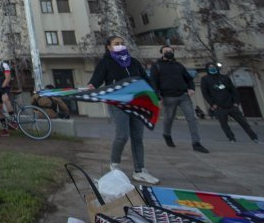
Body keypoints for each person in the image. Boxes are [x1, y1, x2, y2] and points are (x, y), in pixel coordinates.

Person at [88, 35, 159, 185]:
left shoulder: (133, 62)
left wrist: (154, 93)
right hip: (117, 102)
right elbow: (97, 79)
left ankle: (140, 170)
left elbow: (145, 78)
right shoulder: (106, 62)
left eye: (122, 43)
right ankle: (114, 165)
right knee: (122, 135)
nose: (120, 45)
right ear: (109, 47)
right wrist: (92, 86)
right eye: (116, 43)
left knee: (137, 137)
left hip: (137, 102)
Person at [150, 46, 209, 153]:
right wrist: (157, 96)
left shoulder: (178, 65)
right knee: (169, 118)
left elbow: (188, 78)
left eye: (170, 51)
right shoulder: (157, 66)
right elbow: (154, 82)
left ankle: (196, 143)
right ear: (161, 53)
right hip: (168, 97)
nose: (168, 52)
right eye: (166, 51)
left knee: (192, 118)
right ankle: (167, 134)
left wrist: (191, 88)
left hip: (183, 96)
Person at [201, 62, 259, 143]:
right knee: (224, 125)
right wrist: (212, 104)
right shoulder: (205, 79)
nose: (212, 68)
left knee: (243, 123)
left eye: (213, 66)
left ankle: (254, 137)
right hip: (219, 107)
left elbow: (233, 90)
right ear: (207, 69)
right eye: (210, 67)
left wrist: (236, 102)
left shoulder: (224, 77)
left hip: (231, 105)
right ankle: (231, 138)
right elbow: (205, 93)